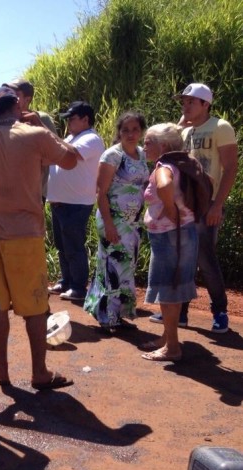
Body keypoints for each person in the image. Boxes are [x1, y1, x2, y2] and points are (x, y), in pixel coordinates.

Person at [0, 86, 80, 389]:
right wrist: (41, 126)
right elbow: (71, 159)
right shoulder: (35, 135)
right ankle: (39, 373)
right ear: (17, 107)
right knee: (33, 307)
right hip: (25, 235)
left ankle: (1, 370)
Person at [149, 83, 238, 333]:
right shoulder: (185, 131)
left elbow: (231, 167)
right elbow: (168, 147)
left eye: (191, 102)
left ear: (205, 104)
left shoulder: (220, 127)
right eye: (183, 102)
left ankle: (220, 311)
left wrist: (217, 205)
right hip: (184, 203)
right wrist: (180, 124)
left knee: (205, 259)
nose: (185, 105)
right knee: (181, 257)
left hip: (207, 204)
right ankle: (181, 313)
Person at [84, 111, 149, 332]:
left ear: (141, 132)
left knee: (126, 268)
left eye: (135, 130)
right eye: (125, 130)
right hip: (113, 221)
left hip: (133, 223)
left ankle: (118, 314)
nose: (130, 134)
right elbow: (100, 193)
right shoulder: (112, 155)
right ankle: (107, 316)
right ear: (119, 132)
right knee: (111, 267)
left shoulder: (141, 154)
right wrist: (109, 225)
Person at [140, 123, 199, 362]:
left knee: (168, 291)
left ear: (162, 145)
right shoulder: (181, 163)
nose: (144, 147)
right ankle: (167, 337)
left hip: (168, 236)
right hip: (185, 231)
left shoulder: (164, 167)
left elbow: (164, 185)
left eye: (147, 142)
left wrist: (168, 207)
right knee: (175, 286)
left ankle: (172, 347)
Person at [47, 100, 105, 302]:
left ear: (85, 120)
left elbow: (74, 153)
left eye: (72, 119)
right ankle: (67, 281)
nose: (68, 122)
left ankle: (79, 287)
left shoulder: (91, 138)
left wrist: (48, 135)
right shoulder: (72, 136)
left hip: (76, 203)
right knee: (62, 246)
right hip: (61, 201)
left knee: (74, 246)